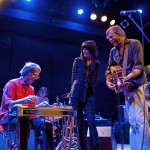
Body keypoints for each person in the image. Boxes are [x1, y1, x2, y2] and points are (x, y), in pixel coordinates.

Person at [105, 25, 150, 150]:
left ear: (120, 34)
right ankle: (135, 148)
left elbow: (138, 67)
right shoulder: (113, 52)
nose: (110, 39)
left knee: (141, 121)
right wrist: (108, 82)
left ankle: (145, 148)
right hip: (127, 89)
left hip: (139, 85)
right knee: (133, 122)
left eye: (111, 36)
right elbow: (109, 69)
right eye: (108, 38)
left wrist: (126, 78)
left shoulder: (135, 44)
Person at [0, 62, 53, 150]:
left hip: (27, 117)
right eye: (34, 75)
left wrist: (40, 106)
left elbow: (32, 108)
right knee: (24, 121)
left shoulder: (31, 88)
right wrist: (23, 100)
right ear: (27, 72)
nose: (36, 78)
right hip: (9, 117)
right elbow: (6, 103)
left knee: (47, 124)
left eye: (37, 76)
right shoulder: (12, 83)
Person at [70, 40, 101, 150]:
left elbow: (95, 80)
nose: (84, 51)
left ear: (92, 50)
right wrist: (72, 94)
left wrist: (88, 87)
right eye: (83, 49)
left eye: (86, 49)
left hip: (89, 95)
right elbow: (73, 79)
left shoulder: (96, 64)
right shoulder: (77, 61)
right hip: (77, 95)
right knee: (79, 125)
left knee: (92, 122)